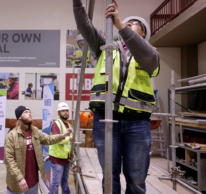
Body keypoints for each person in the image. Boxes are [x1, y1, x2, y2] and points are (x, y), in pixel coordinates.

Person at [73, 0, 160, 193]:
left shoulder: (150, 53)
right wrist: (77, 3)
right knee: (109, 179)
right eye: (124, 23)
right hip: (106, 119)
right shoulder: (106, 47)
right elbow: (84, 25)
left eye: (132, 24)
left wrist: (120, 24)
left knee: (136, 180)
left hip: (137, 123)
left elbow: (149, 61)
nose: (127, 24)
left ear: (143, 32)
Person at [4, 106, 74, 194]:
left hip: (33, 179)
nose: (29, 113)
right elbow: (9, 160)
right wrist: (19, 178)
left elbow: (48, 139)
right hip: (17, 182)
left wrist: (63, 135)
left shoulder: (35, 131)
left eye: (30, 112)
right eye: (26, 112)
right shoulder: (11, 136)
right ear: (19, 117)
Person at [49, 102, 75, 194]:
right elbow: (57, 140)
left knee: (64, 181)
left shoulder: (69, 125)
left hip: (65, 158)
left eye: (67, 110)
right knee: (56, 183)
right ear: (58, 113)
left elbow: (70, 142)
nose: (65, 112)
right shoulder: (56, 124)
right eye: (63, 111)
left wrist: (72, 152)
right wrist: (69, 138)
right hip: (57, 158)